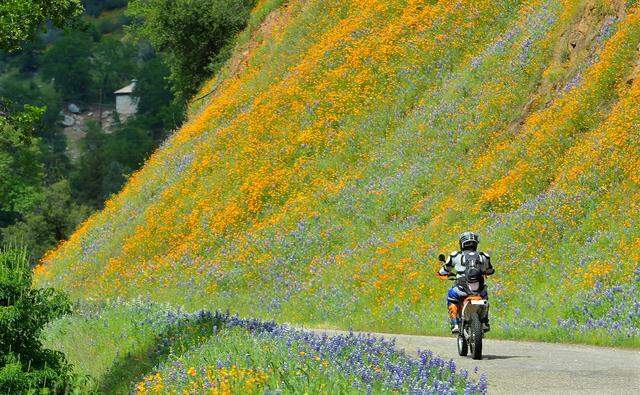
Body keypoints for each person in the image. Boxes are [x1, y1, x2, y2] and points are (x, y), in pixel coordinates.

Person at [438, 231, 494, 334]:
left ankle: (454, 323)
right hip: (479, 291)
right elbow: (490, 270)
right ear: (475, 243)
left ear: (462, 243)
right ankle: (485, 322)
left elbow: (445, 270)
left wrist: (441, 273)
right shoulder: (484, 256)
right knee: (485, 297)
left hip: (461, 289)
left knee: (452, 296)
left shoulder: (455, 256)